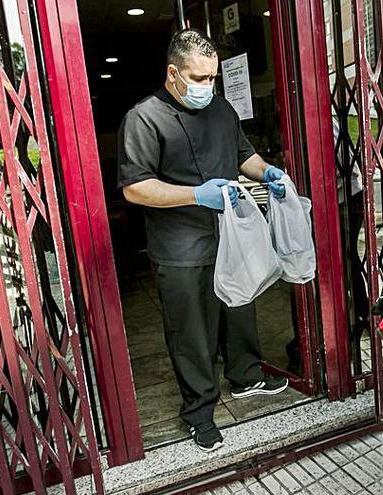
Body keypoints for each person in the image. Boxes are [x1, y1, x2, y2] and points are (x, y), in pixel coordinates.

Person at [118, 29, 289, 453]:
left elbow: (242, 155)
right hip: (179, 245)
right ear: (173, 73)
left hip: (228, 233)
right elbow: (135, 187)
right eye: (198, 79)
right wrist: (195, 194)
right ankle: (199, 411)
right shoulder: (144, 118)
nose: (206, 87)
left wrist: (267, 172)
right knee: (190, 330)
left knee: (239, 305)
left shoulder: (222, 110)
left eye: (211, 78)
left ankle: (246, 375)